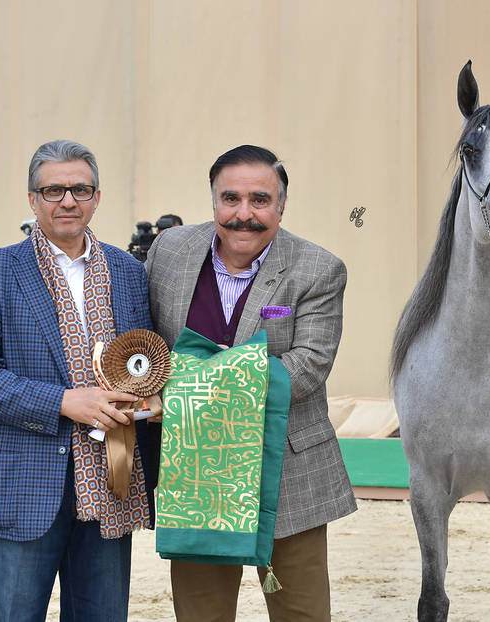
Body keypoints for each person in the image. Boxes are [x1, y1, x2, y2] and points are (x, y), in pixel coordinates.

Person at [0, 140, 160, 622]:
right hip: (24, 485)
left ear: (97, 197)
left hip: (111, 479)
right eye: (53, 190)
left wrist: (150, 397)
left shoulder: (129, 272)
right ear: (32, 198)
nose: (68, 200)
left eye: (80, 189)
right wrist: (63, 401)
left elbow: (144, 360)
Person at [145, 144, 356, 622]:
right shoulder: (170, 251)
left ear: (281, 205)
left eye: (260, 200)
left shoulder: (318, 268)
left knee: (301, 614)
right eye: (231, 199)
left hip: (287, 473)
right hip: (196, 471)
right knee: (200, 615)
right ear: (213, 201)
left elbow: (309, 365)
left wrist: (196, 386)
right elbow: (147, 341)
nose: (244, 214)